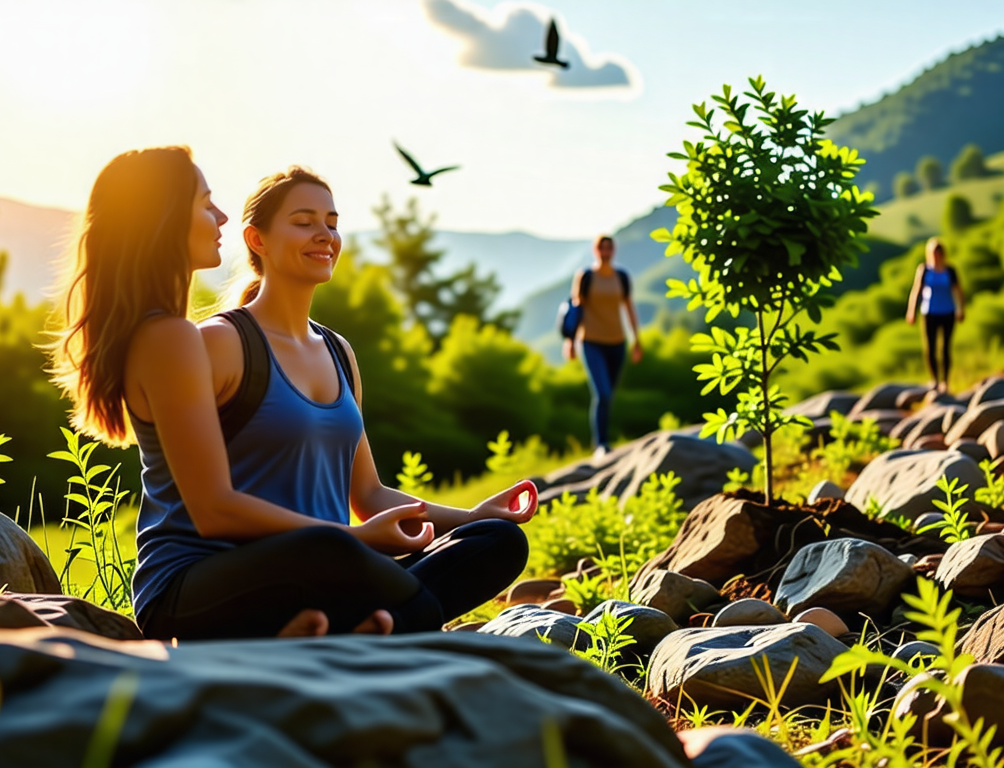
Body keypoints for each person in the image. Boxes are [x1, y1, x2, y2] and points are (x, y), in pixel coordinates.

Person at [47, 148, 535, 641]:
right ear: (165, 218)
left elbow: (366, 493)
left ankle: (357, 626)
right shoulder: (192, 340)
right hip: (205, 584)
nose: (219, 215)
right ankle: (391, 628)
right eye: (205, 203)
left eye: (331, 222)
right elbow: (214, 510)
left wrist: (470, 516)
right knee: (331, 551)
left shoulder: (336, 351)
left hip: (313, 567)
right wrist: (355, 538)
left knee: (494, 540)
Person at [563, 235, 643, 456]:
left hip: (617, 342)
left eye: (609, 247)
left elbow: (629, 309)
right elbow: (575, 310)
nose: (606, 251)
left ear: (614, 250)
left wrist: (637, 340)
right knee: (603, 394)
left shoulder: (622, 277)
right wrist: (569, 341)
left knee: (609, 395)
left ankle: (604, 440)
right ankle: (601, 444)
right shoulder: (586, 277)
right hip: (591, 342)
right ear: (595, 250)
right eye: (602, 248)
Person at [906, 237, 966, 393]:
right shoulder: (924, 270)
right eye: (934, 252)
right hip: (929, 313)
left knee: (945, 347)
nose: (936, 255)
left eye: (939, 252)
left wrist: (961, 309)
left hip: (948, 312)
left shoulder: (950, 270)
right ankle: (935, 380)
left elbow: (958, 290)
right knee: (930, 348)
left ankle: (945, 381)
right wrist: (911, 310)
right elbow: (916, 291)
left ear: (943, 254)